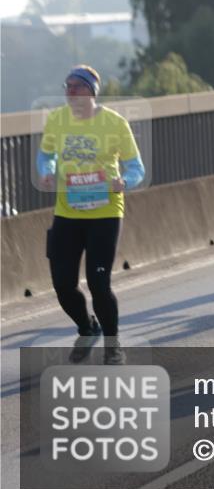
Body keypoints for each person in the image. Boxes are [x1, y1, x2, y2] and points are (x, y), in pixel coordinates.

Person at [37, 66, 146, 365]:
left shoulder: (114, 123)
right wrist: (46, 172)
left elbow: (137, 168)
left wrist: (125, 181)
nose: (69, 92)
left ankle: (113, 345)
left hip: (106, 211)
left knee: (99, 283)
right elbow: (46, 155)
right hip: (68, 211)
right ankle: (87, 326)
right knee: (62, 284)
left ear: (91, 91)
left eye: (76, 86)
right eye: (66, 86)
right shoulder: (58, 120)